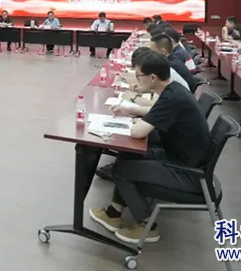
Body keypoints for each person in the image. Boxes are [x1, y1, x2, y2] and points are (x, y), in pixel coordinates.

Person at [89, 52, 214, 244]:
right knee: (127, 155)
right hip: (183, 158)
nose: (137, 79)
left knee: (122, 171)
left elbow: (137, 132)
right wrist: (131, 111)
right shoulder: (174, 90)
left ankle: (147, 226)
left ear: (153, 77)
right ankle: (113, 213)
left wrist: (132, 122)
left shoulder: (172, 97)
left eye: (139, 75)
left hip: (189, 174)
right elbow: (155, 112)